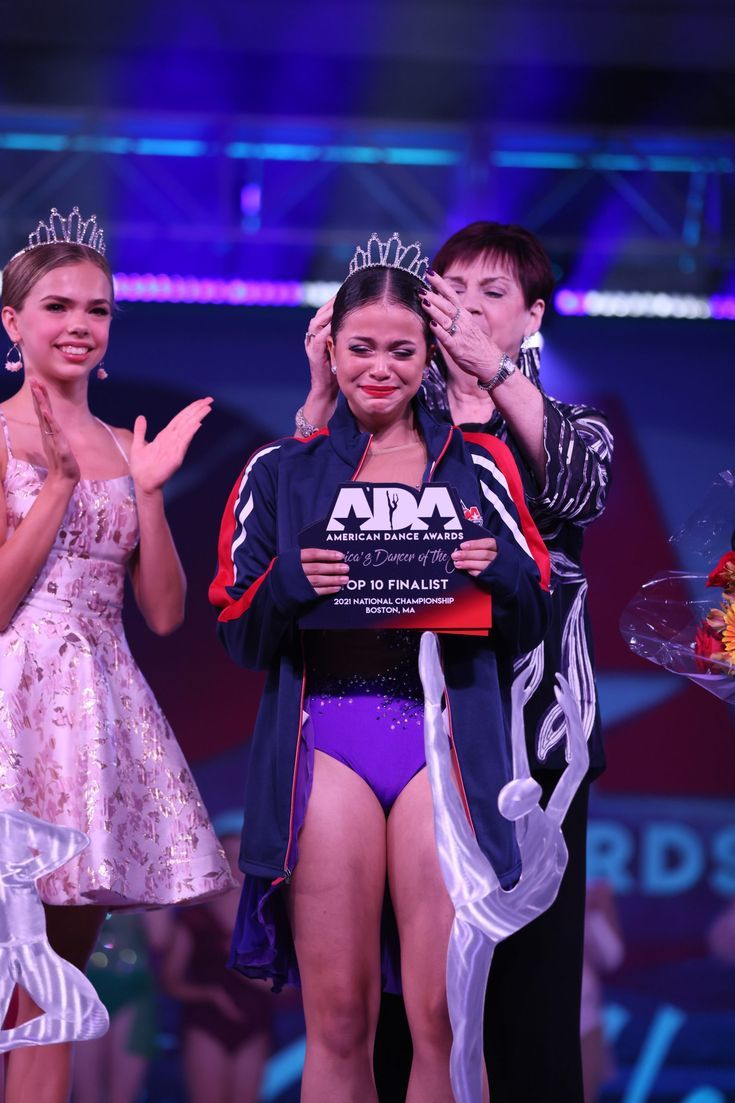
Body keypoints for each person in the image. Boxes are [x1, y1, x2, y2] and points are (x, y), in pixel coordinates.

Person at [210, 236, 551, 1103]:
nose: (380, 366)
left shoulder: (478, 463)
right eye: (361, 346)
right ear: (329, 349)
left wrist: (496, 570)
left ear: (428, 354)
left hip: (439, 746)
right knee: (340, 1014)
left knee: (440, 1017)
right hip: (329, 740)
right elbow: (237, 631)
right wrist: (287, 583)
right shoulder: (281, 472)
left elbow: (534, 613)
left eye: (402, 349)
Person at [296, 221, 613, 1103]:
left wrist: (496, 383)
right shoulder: (401, 413)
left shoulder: (569, 424)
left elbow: (580, 490)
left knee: (530, 986)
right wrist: (323, 388)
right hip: (421, 718)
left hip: (536, 738)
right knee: (421, 994)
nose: (468, 310)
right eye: (453, 291)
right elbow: (308, 508)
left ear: (531, 316)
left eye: (492, 295)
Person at [0, 207, 234, 1103]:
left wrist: (148, 495)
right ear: (12, 323)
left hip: (93, 718)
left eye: (96, 309)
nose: (79, 326)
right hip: (14, 702)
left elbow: (166, 614)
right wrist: (58, 487)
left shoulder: (117, 444)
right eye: (57, 306)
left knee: (56, 982)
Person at [160, 818, 274, 1103]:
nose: (236, 866)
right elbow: (170, 980)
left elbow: (285, 984)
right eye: (229, 857)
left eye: (242, 858)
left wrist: (244, 966)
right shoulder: (196, 915)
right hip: (206, 1022)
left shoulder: (267, 919)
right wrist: (209, 994)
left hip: (254, 1020)